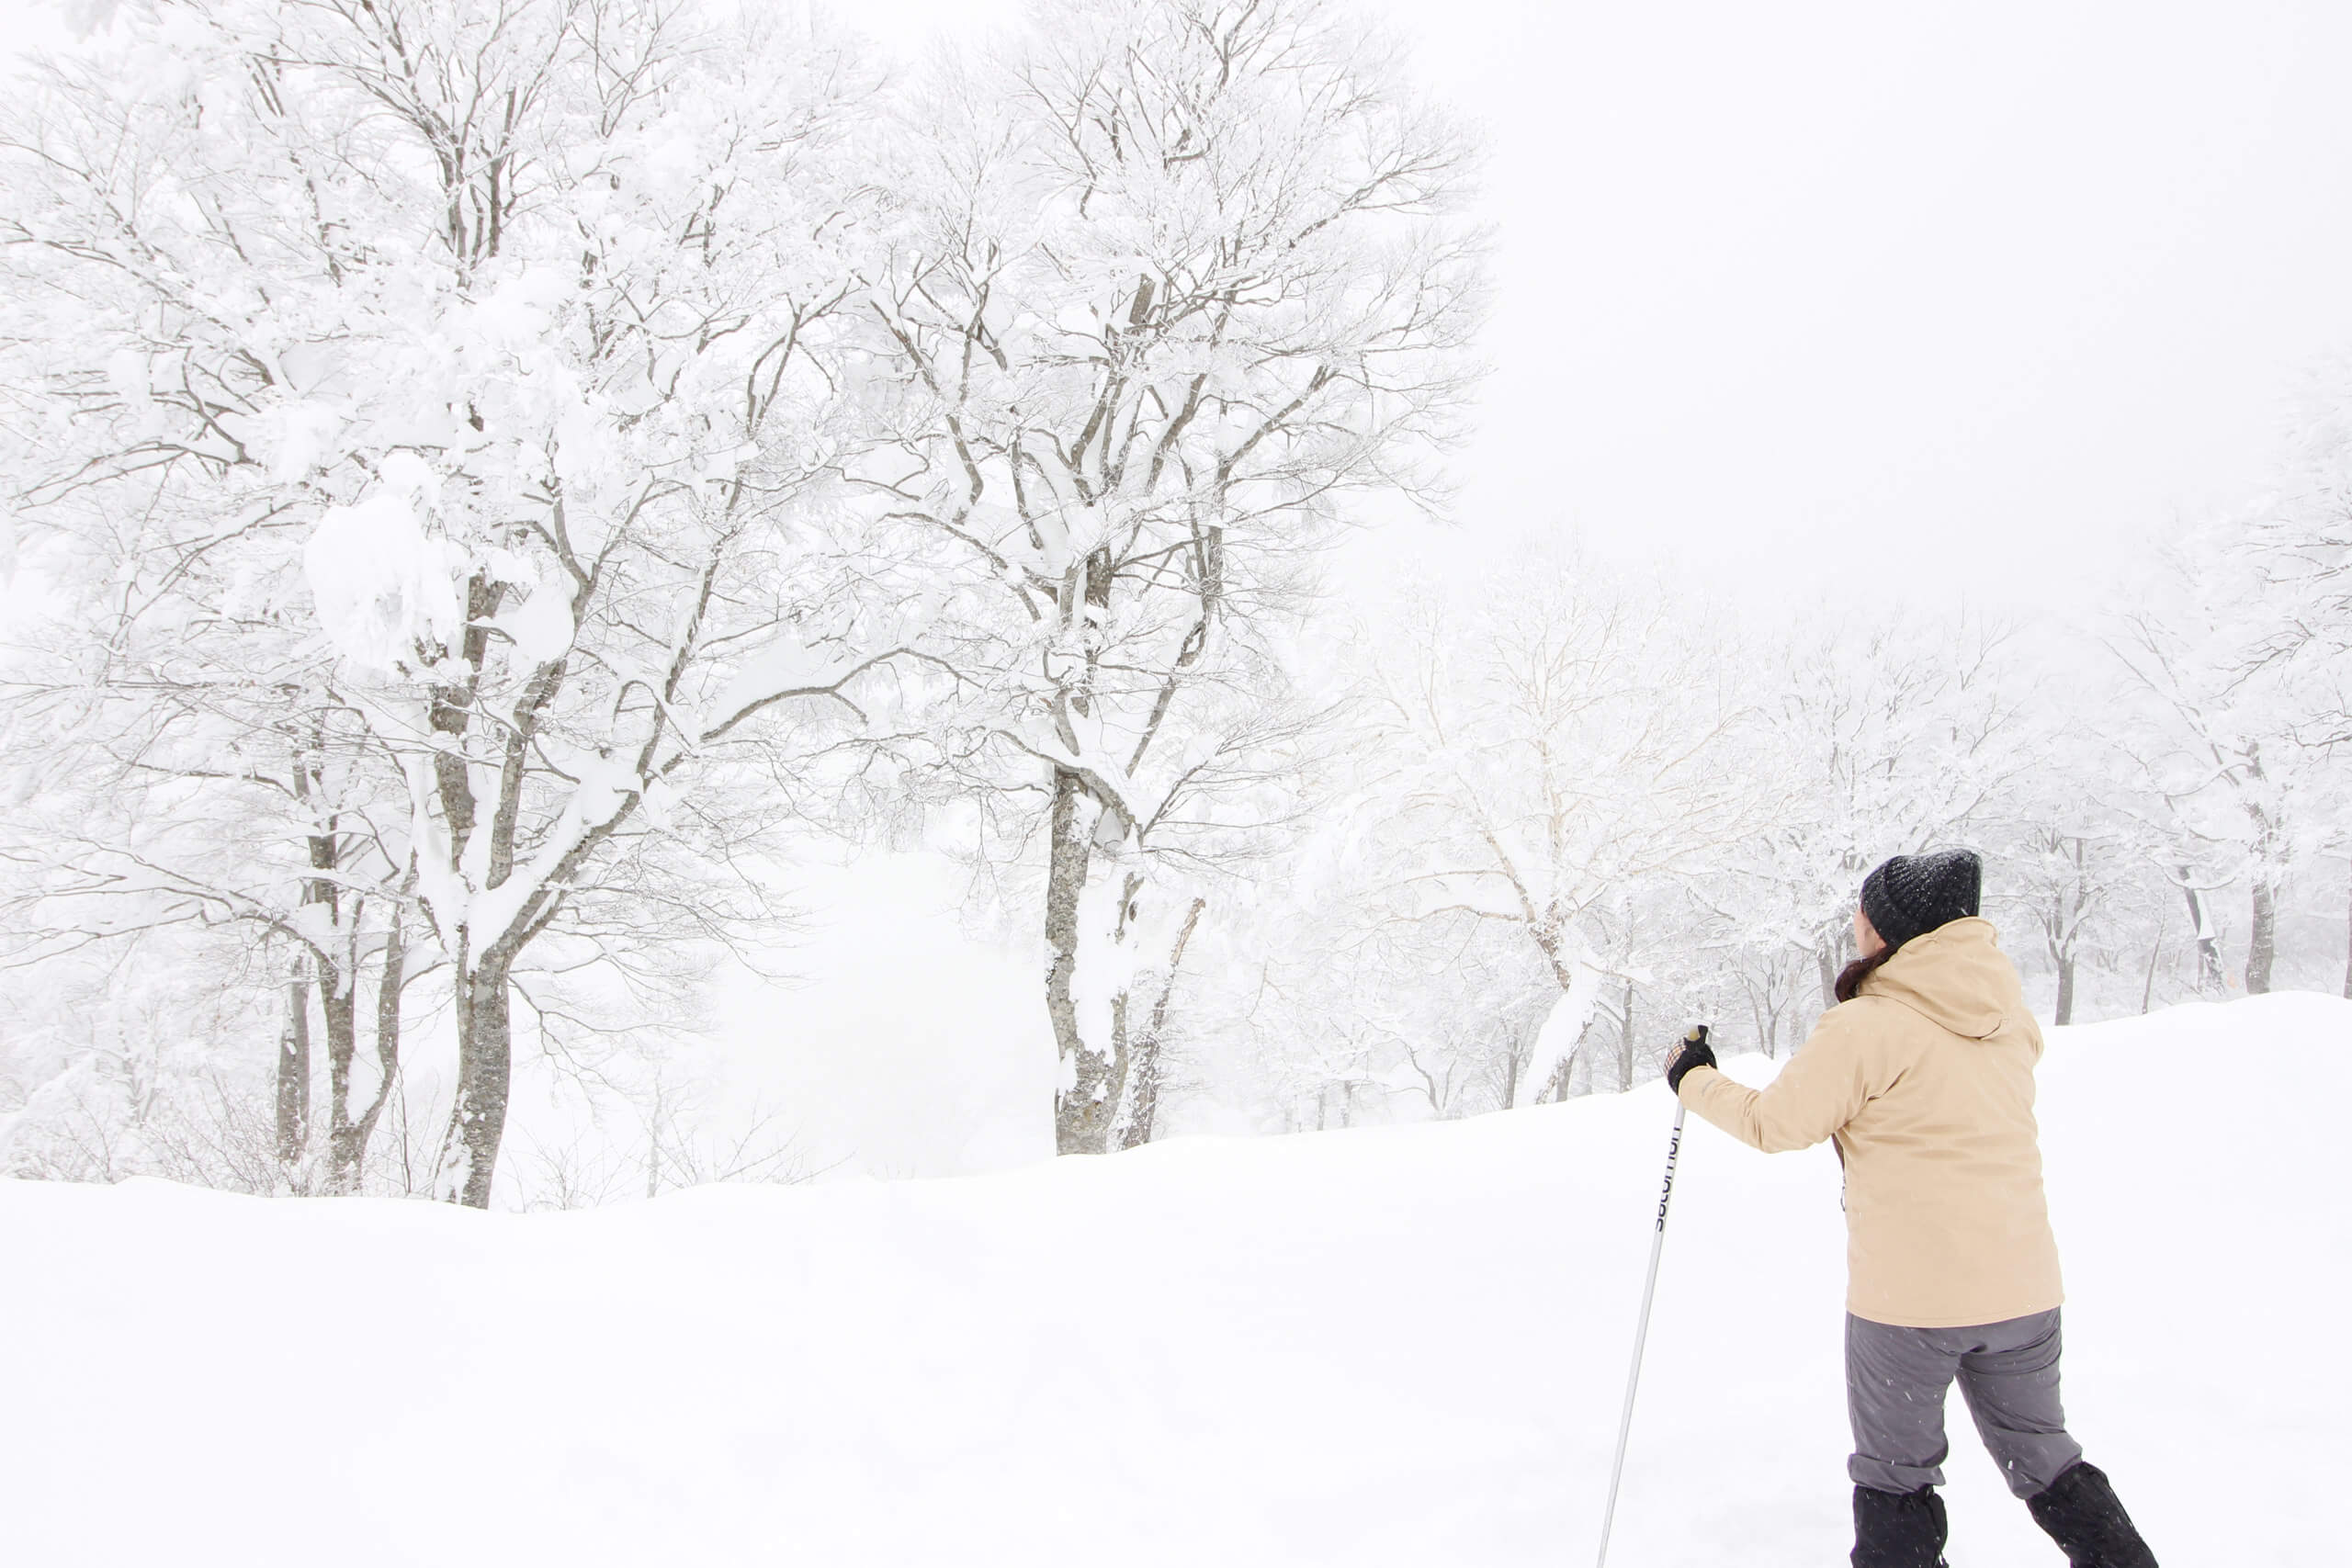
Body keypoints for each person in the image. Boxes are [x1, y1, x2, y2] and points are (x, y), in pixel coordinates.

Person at [1664, 848, 2157, 1568]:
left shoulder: (1869, 1026)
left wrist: (1693, 1080)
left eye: (1864, 914)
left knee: (1895, 1477)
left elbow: (1777, 1124)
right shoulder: (2009, 1018)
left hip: (1910, 1305)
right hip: (2023, 1289)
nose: (1855, 925)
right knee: (2046, 1455)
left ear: (1894, 929)